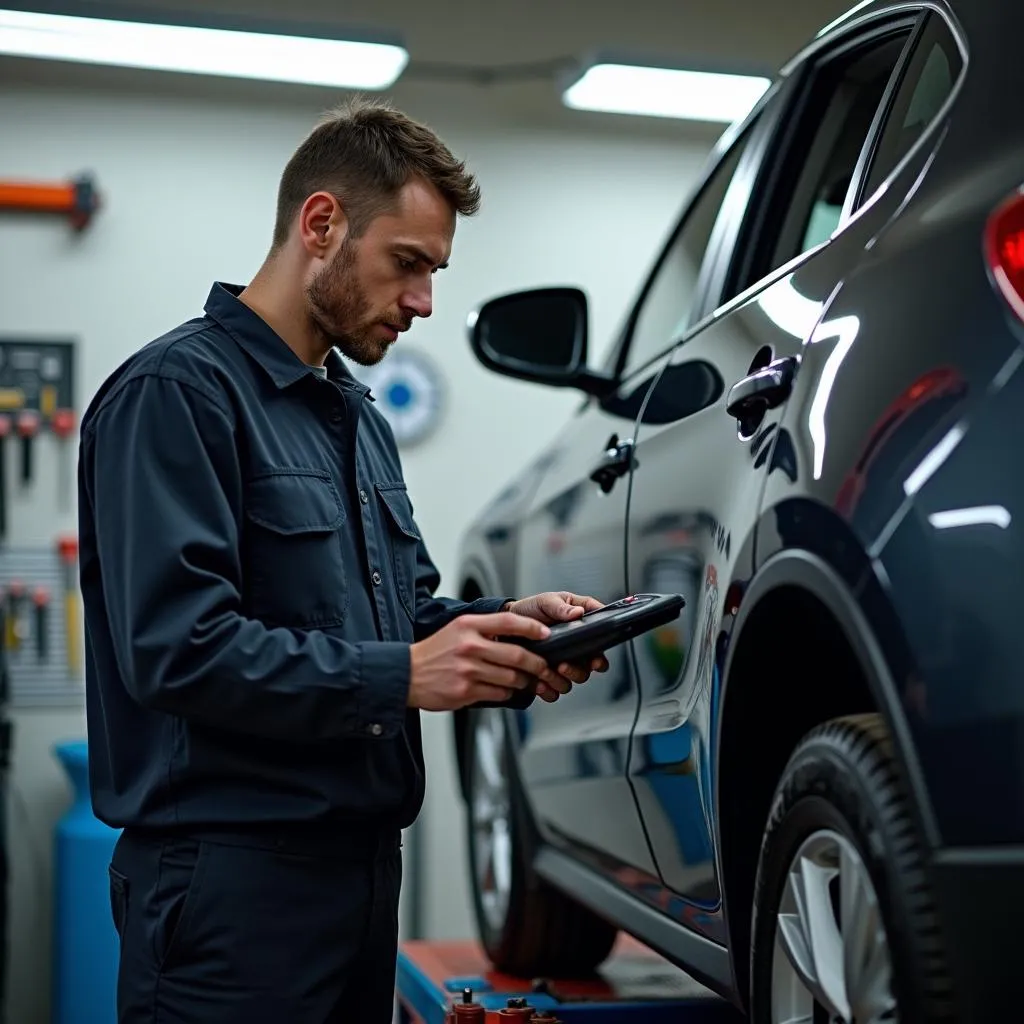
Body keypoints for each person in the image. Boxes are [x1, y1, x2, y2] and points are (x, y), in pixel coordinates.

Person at [77, 97, 608, 1024]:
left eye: (434, 272)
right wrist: (405, 673)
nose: (423, 302)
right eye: (407, 265)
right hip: (229, 898)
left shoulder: (357, 417)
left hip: (359, 887)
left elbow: (399, 618)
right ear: (320, 224)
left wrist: (506, 634)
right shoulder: (174, 398)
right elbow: (177, 649)